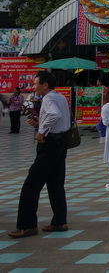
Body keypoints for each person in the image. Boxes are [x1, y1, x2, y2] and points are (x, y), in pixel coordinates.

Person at [9, 71, 71, 238]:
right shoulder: (60, 97)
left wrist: (41, 131)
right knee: (55, 184)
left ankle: (27, 225)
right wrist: (39, 122)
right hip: (60, 143)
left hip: (49, 144)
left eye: (36, 84)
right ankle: (59, 221)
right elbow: (60, 118)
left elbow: (54, 115)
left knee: (31, 185)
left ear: (45, 85)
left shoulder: (49, 98)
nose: (33, 87)